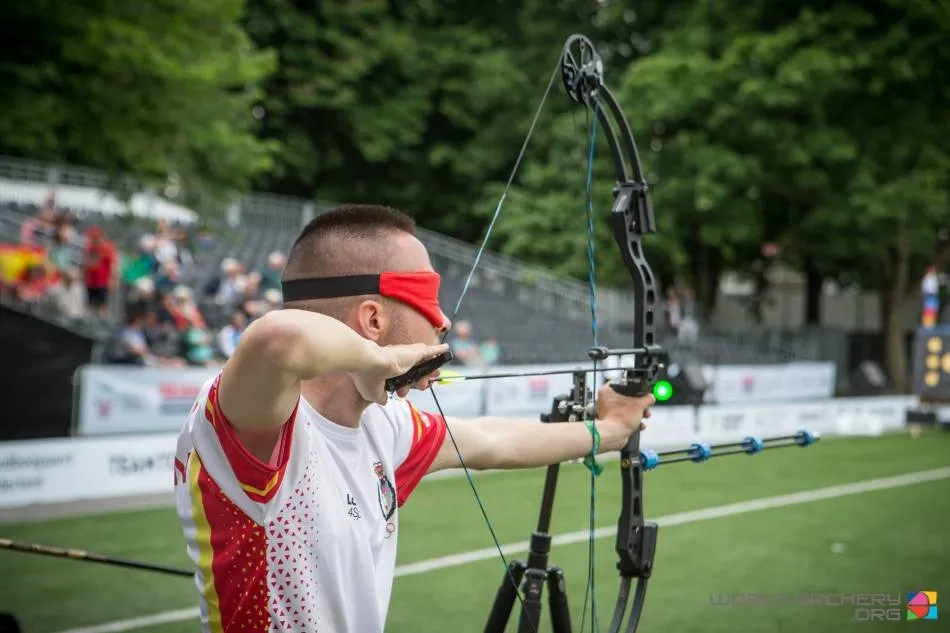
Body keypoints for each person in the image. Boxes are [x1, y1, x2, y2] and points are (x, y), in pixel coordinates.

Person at [172, 204, 654, 633]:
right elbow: (276, 337)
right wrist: (373, 362)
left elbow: (491, 441)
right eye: (429, 302)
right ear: (373, 320)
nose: (443, 321)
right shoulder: (260, 427)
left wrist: (609, 432)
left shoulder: (385, 426)